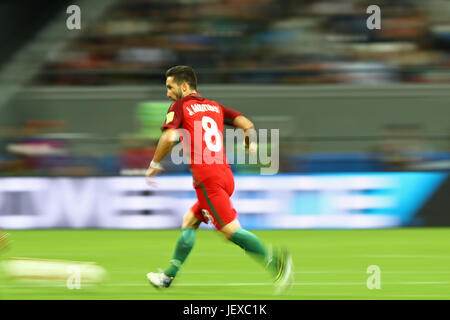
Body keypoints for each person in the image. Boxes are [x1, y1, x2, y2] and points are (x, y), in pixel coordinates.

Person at [145, 66, 294, 294]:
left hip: (207, 179)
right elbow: (246, 123)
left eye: (169, 87)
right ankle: (168, 276)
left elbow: (170, 136)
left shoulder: (180, 106)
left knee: (231, 231)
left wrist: (155, 163)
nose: (167, 93)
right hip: (225, 175)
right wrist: (249, 143)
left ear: (184, 86)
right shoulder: (214, 106)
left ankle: (276, 264)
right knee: (190, 220)